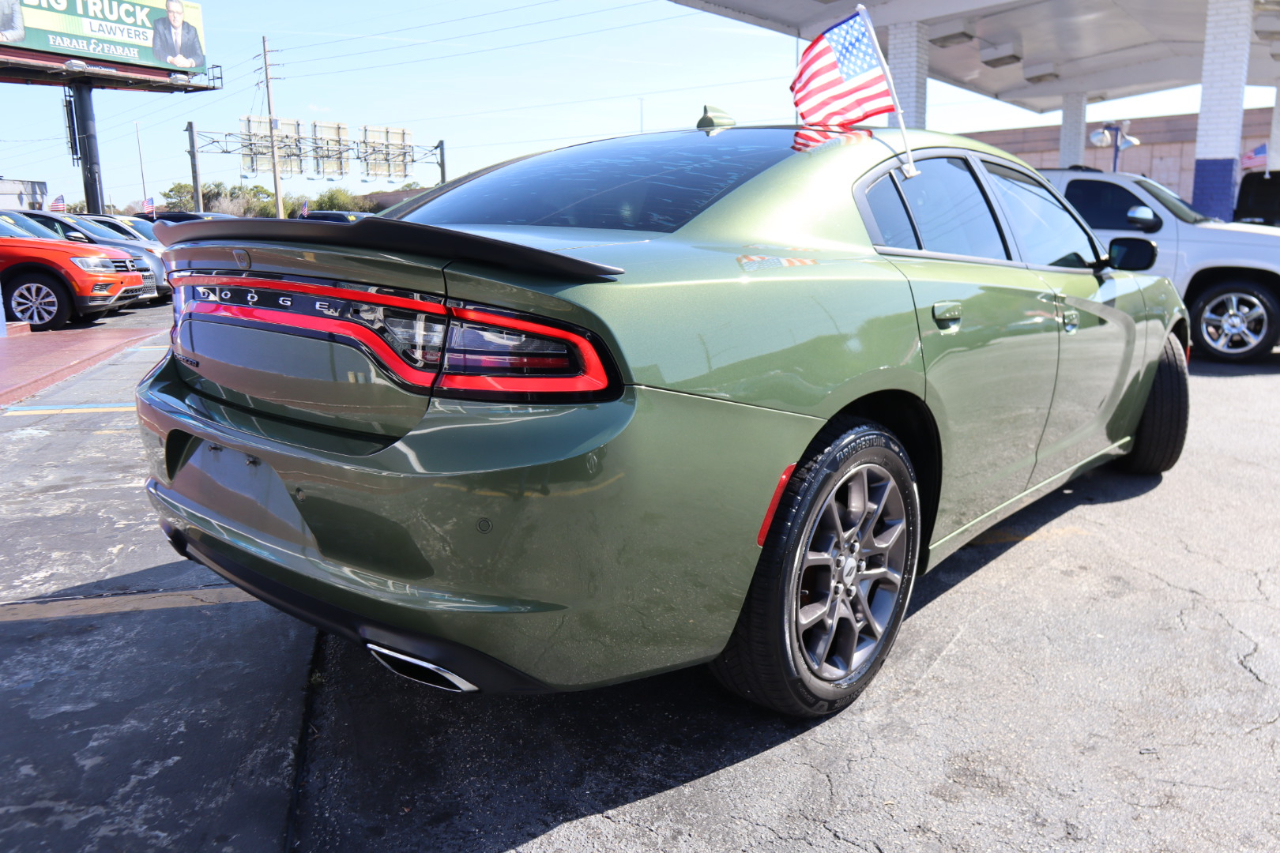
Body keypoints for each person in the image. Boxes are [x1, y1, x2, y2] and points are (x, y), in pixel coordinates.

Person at [152, 0, 204, 68]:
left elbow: (200, 57)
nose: (175, 16)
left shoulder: (191, 31)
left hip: (185, 70)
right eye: (171, 12)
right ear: (167, 12)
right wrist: (171, 60)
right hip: (165, 70)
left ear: (183, 14)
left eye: (178, 13)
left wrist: (189, 62)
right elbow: (157, 50)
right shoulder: (159, 25)